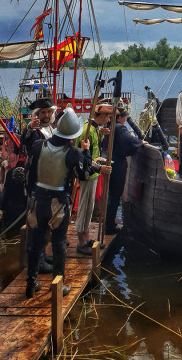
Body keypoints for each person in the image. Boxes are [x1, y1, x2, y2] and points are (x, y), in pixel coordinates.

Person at [24, 107, 111, 298]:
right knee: (59, 245)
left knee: (36, 244)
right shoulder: (74, 152)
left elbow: (29, 173)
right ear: (72, 136)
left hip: (38, 200)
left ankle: (30, 284)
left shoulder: (39, 145)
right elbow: (84, 174)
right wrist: (87, 152)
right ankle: (58, 286)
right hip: (58, 203)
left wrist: (30, 195)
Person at [75, 103, 112, 255]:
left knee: (89, 208)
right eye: (108, 117)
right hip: (87, 174)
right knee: (84, 208)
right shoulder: (86, 130)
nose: (109, 120)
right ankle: (81, 242)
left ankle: (87, 237)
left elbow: (92, 149)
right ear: (102, 116)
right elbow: (82, 157)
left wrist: (101, 134)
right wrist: (100, 168)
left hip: (93, 174)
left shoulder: (94, 129)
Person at [105, 108, 146, 234]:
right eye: (124, 117)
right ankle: (110, 225)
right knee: (115, 195)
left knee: (111, 195)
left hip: (110, 160)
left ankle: (108, 222)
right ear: (119, 118)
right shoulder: (120, 128)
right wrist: (140, 142)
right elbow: (129, 141)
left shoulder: (110, 127)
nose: (126, 119)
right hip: (117, 164)